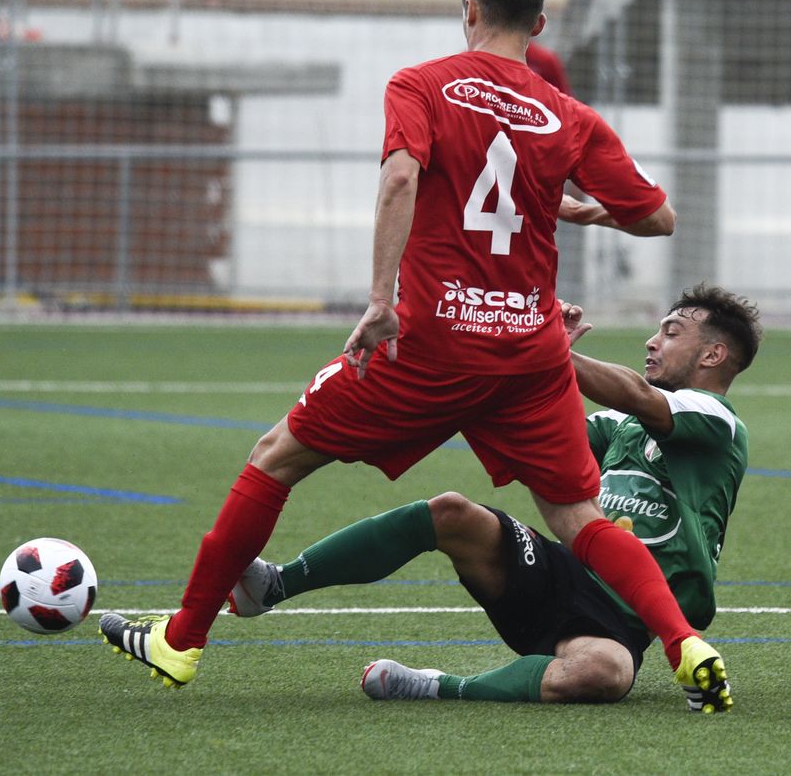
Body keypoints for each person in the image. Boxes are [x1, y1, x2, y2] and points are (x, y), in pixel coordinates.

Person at [99, 0, 731, 711]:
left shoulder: (421, 84)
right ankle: (684, 642)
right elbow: (658, 217)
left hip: (434, 343)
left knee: (276, 458)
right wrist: (582, 207)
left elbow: (401, 177)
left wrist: (380, 300)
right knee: (579, 518)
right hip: (529, 356)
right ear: (537, 24)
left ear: (469, 11)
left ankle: (182, 639)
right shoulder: (570, 116)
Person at [224, 285, 759, 712]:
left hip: (625, 618)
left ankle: (438, 686)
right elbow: (546, 432)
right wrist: (508, 361)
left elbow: (637, 394)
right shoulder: (622, 423)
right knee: (451, 512)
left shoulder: (717, 420)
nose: (652, 341)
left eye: (671, 332)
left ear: (714, 354)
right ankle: (274, 584)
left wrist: (545, 348)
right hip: (561, 572)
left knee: (605, 673)